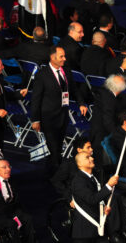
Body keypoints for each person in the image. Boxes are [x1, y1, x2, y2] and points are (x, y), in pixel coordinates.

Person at [31, 46, 87, 174]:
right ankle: (58, 173)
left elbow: (74, 89)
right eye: (61, 56)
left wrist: (81, 103)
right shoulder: (42, 74)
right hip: (48, 117)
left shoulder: (66, 70)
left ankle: (52, 170)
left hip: (63, 115)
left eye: (64, 56)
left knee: (58, 144)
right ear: (52, 57)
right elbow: (36, 98)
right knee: (54, 147)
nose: (64, 59)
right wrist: (35, 119)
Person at [71, 152, 126, 243]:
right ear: (79, 163)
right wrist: (108, 185)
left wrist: (103, 208)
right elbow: (92, 199)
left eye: (91, 156)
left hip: (96, 230)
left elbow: (90, 201)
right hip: (85, 233)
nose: (92, 158)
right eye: (87, 157)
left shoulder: (91, 177)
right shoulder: (78, 181)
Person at [0, 159, 36, 243]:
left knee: (27, 218)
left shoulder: (10, 181)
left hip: (8, 211)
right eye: (4, 167)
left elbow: (14, 200)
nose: (8, 169)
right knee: (11, 224)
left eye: (9, 167)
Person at [90, 74, 126, 165]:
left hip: (97, 129)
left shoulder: (105, 92)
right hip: (101, 135)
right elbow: (107, 121)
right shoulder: (109, 99)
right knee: (100, 163)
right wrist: (118, 134)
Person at [51, 137, 93, 209]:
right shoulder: (69, 164)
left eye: (91, 147)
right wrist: (69, 197)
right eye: (88, 147)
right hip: (78, 200)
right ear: (79, 150)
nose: (91, 149)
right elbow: (56, 181)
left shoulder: (91, 162)